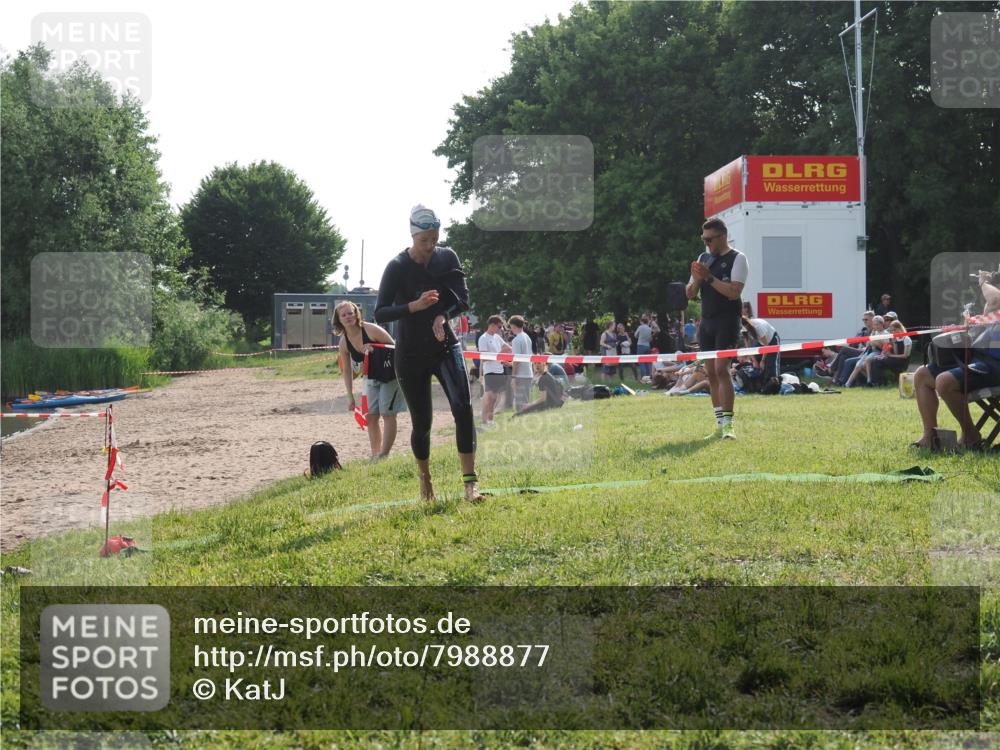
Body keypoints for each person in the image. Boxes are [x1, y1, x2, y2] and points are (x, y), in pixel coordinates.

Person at [375, 204, 482, 503]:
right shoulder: (397, 266)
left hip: (444, 345)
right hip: (410, 354)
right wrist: (414, 307)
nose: (430, 246)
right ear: (413, 236)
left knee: (463, 407)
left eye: (434, 238)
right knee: (423, 424)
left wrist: (441, 315)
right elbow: (380, 312)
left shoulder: (447, 257)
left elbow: (463, 299)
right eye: (425, 240)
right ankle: (426, 481)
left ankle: (470, 485)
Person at [911, 269, 1000, 451]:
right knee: (922, 375)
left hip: (995, 365)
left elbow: (996, 299)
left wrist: (983, 282)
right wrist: (963, 329)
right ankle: (930, 437)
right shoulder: (993, 307)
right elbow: (983, 329)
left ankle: (971, 436)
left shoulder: (996, 298)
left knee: (944, 382)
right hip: (978, 358)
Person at [686, 218, 748, 439]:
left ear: (722, 236)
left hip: (727, 321)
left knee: (722, 369)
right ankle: (719, 422)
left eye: (710, 239)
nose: (706, 244)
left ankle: (729, 425)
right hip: (707, 322)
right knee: (710, 372)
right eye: (703, 239)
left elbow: (734, 292)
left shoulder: (737, 259)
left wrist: (709, 278)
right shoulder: (704, 258)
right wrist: (695, 279)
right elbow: (690, 293)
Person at [334, 301, 405, 461]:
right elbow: (347, 371)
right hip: (370, 378)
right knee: (370, 417)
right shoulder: (343, 342)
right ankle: (375, 455)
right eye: (343, 315)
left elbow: (395, 348)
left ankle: (384, 454)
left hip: (389, 375)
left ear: (356, 314)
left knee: (387, 413)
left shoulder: (371, 329)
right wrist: (350, 396)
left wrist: (376, 348)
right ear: (338, 319)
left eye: (350, 313)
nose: (348, 317)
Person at [477, 315, 510, 428]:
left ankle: (490, 420)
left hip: (499, 370)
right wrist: (499, 356)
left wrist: (502, 358)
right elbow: (484, 358)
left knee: (495, 398)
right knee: (489, 397)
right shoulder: (483, 338)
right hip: (490, 371)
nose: (500, 329)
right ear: (492, 325)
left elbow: (508, 348)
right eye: (499, 326)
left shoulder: (497, 337)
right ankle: (483, 421)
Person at [741, 316, 780, 381]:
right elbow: (747, 345)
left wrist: (763, 361)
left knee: (771, 364)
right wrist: (754, 360)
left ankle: (774, 382)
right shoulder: (743, 327)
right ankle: (761, 382)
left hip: (772, 340)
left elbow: (766, 346)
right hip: (762, 342)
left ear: (747, 325)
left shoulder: (758, 327)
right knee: (755, 358)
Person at [508, 315, 534, 411]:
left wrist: (513, 377)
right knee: (525, 403)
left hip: (521, 375)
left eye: (511, 327)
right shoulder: (527, 337)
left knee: (520, 405)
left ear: (514, 326)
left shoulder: (516, 340)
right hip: (528, 373)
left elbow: (517, 360)